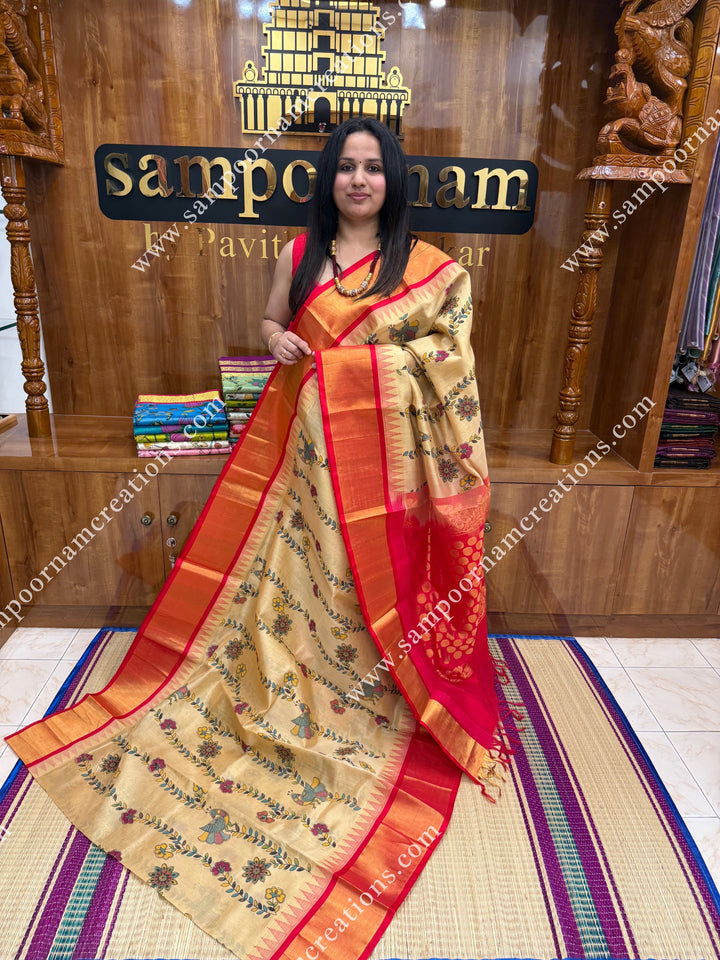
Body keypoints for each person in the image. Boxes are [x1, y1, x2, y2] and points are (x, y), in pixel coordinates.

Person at [7, 118, 502, 960]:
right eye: (344, 167)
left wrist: (353, 368)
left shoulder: (428, 271)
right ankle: (291, 682)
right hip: (304, 468)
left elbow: (449, 364)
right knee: (300, 586)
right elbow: (276, 330)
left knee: (363, 583)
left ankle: (372, 692)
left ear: (393, 180)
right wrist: (280, 339)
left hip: (384, 484)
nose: (356, 180)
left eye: (371, 168)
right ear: (328, 180)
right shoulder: (297, 257)